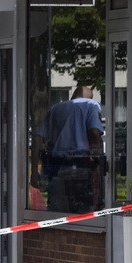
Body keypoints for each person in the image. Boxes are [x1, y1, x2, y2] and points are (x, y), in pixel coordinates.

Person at [36, 85, 105, 213]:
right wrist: (96, 157)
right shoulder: (90, 104)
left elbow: (41, 138)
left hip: (55, 164)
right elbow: (95, 131)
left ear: (73, 96)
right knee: (82, 207)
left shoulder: (55, 108)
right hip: (81, 164)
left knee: (58, 208)